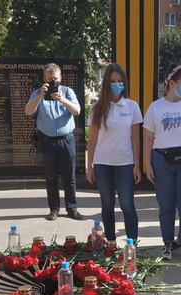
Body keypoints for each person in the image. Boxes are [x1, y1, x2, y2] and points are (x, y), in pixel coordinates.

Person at [143, 64, 181, 264]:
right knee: (166, 205)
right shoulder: (155, 107)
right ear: (171, 83)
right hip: (162, 159)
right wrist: (147, 163)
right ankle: (167, 243)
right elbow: (148, 138)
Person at [86, 63, 143, 241]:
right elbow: (92, 140)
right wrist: (89, 166)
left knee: (127, 204)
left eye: (119, 81)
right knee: (107, 204)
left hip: (125, 163)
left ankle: (132, 244)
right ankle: (110, 243)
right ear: (106, 83)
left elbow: (135, 138)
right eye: (112, 81)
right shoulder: (97, 108)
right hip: (102, 163)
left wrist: (137, 165)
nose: (116, 84)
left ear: (124, 83)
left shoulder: (132, 106)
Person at [25, 63, 82, 221]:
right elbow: (28, 111)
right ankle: (54, 209)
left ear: (60, 78)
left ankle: (72, 208)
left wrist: (62, 100)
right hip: (48, 141)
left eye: (55, 79)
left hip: (66, 140)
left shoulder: (67, 92)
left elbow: (77, 111)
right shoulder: (37, 93)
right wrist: (39, 96)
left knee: (70, 177)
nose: (53, 82)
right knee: (51, 178)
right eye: (49, 79)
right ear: (44, 78)